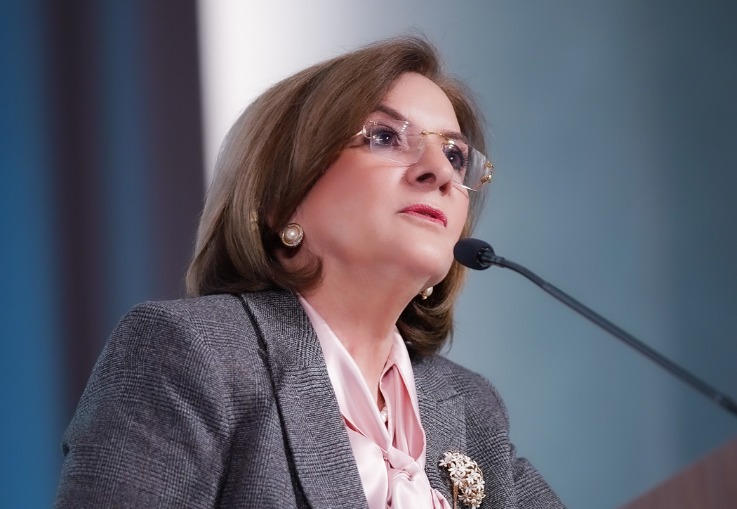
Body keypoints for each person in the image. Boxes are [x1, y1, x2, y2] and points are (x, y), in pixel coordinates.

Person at [55, 36, 564, 508]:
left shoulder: (471, 406)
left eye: (455, 154)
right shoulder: (193, 354)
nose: (440, 172)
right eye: (385, 136)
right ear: (281, 197)